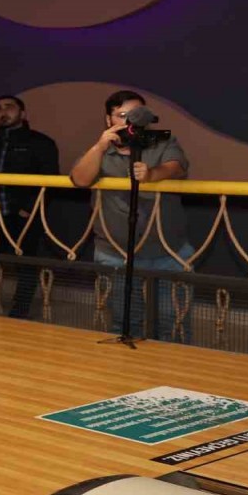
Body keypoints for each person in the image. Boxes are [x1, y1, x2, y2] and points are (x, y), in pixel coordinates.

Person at [70, 90, 191, 337]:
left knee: (172, 324)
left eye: (135, 114)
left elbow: (177, 167)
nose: (128, 121)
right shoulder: (101, 151)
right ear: (108, 120)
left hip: (167, 252)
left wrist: (151, 174)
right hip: (115, 253)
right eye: (122, 115)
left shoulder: (163, 141)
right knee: (124, 322)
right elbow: (79, 179)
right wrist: (99, 146)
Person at [0, 95, 59, 319]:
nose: (3, 112)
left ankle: (19, 311)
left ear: (22, 113)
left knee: (26, 264)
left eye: (9, 107)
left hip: (23, 216)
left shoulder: (41, 142)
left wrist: (29, 209)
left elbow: (50, 180)